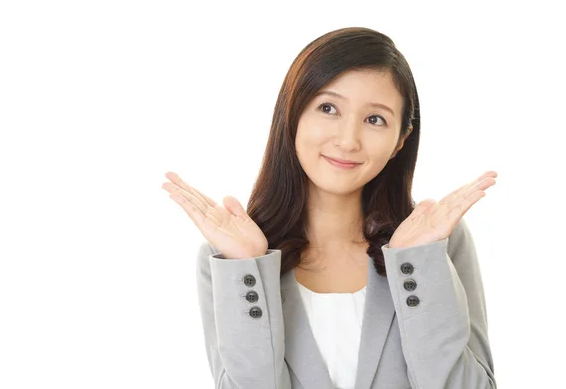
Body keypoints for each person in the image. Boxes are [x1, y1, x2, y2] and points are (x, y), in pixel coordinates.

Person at [162, 27, 497, 389]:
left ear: (401, 140)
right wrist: (248, 265)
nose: (347, 140)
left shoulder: (437, 243)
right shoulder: (229, 259)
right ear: (292, 114)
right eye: (328, 108)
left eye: (375, 119)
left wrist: (415, 259)